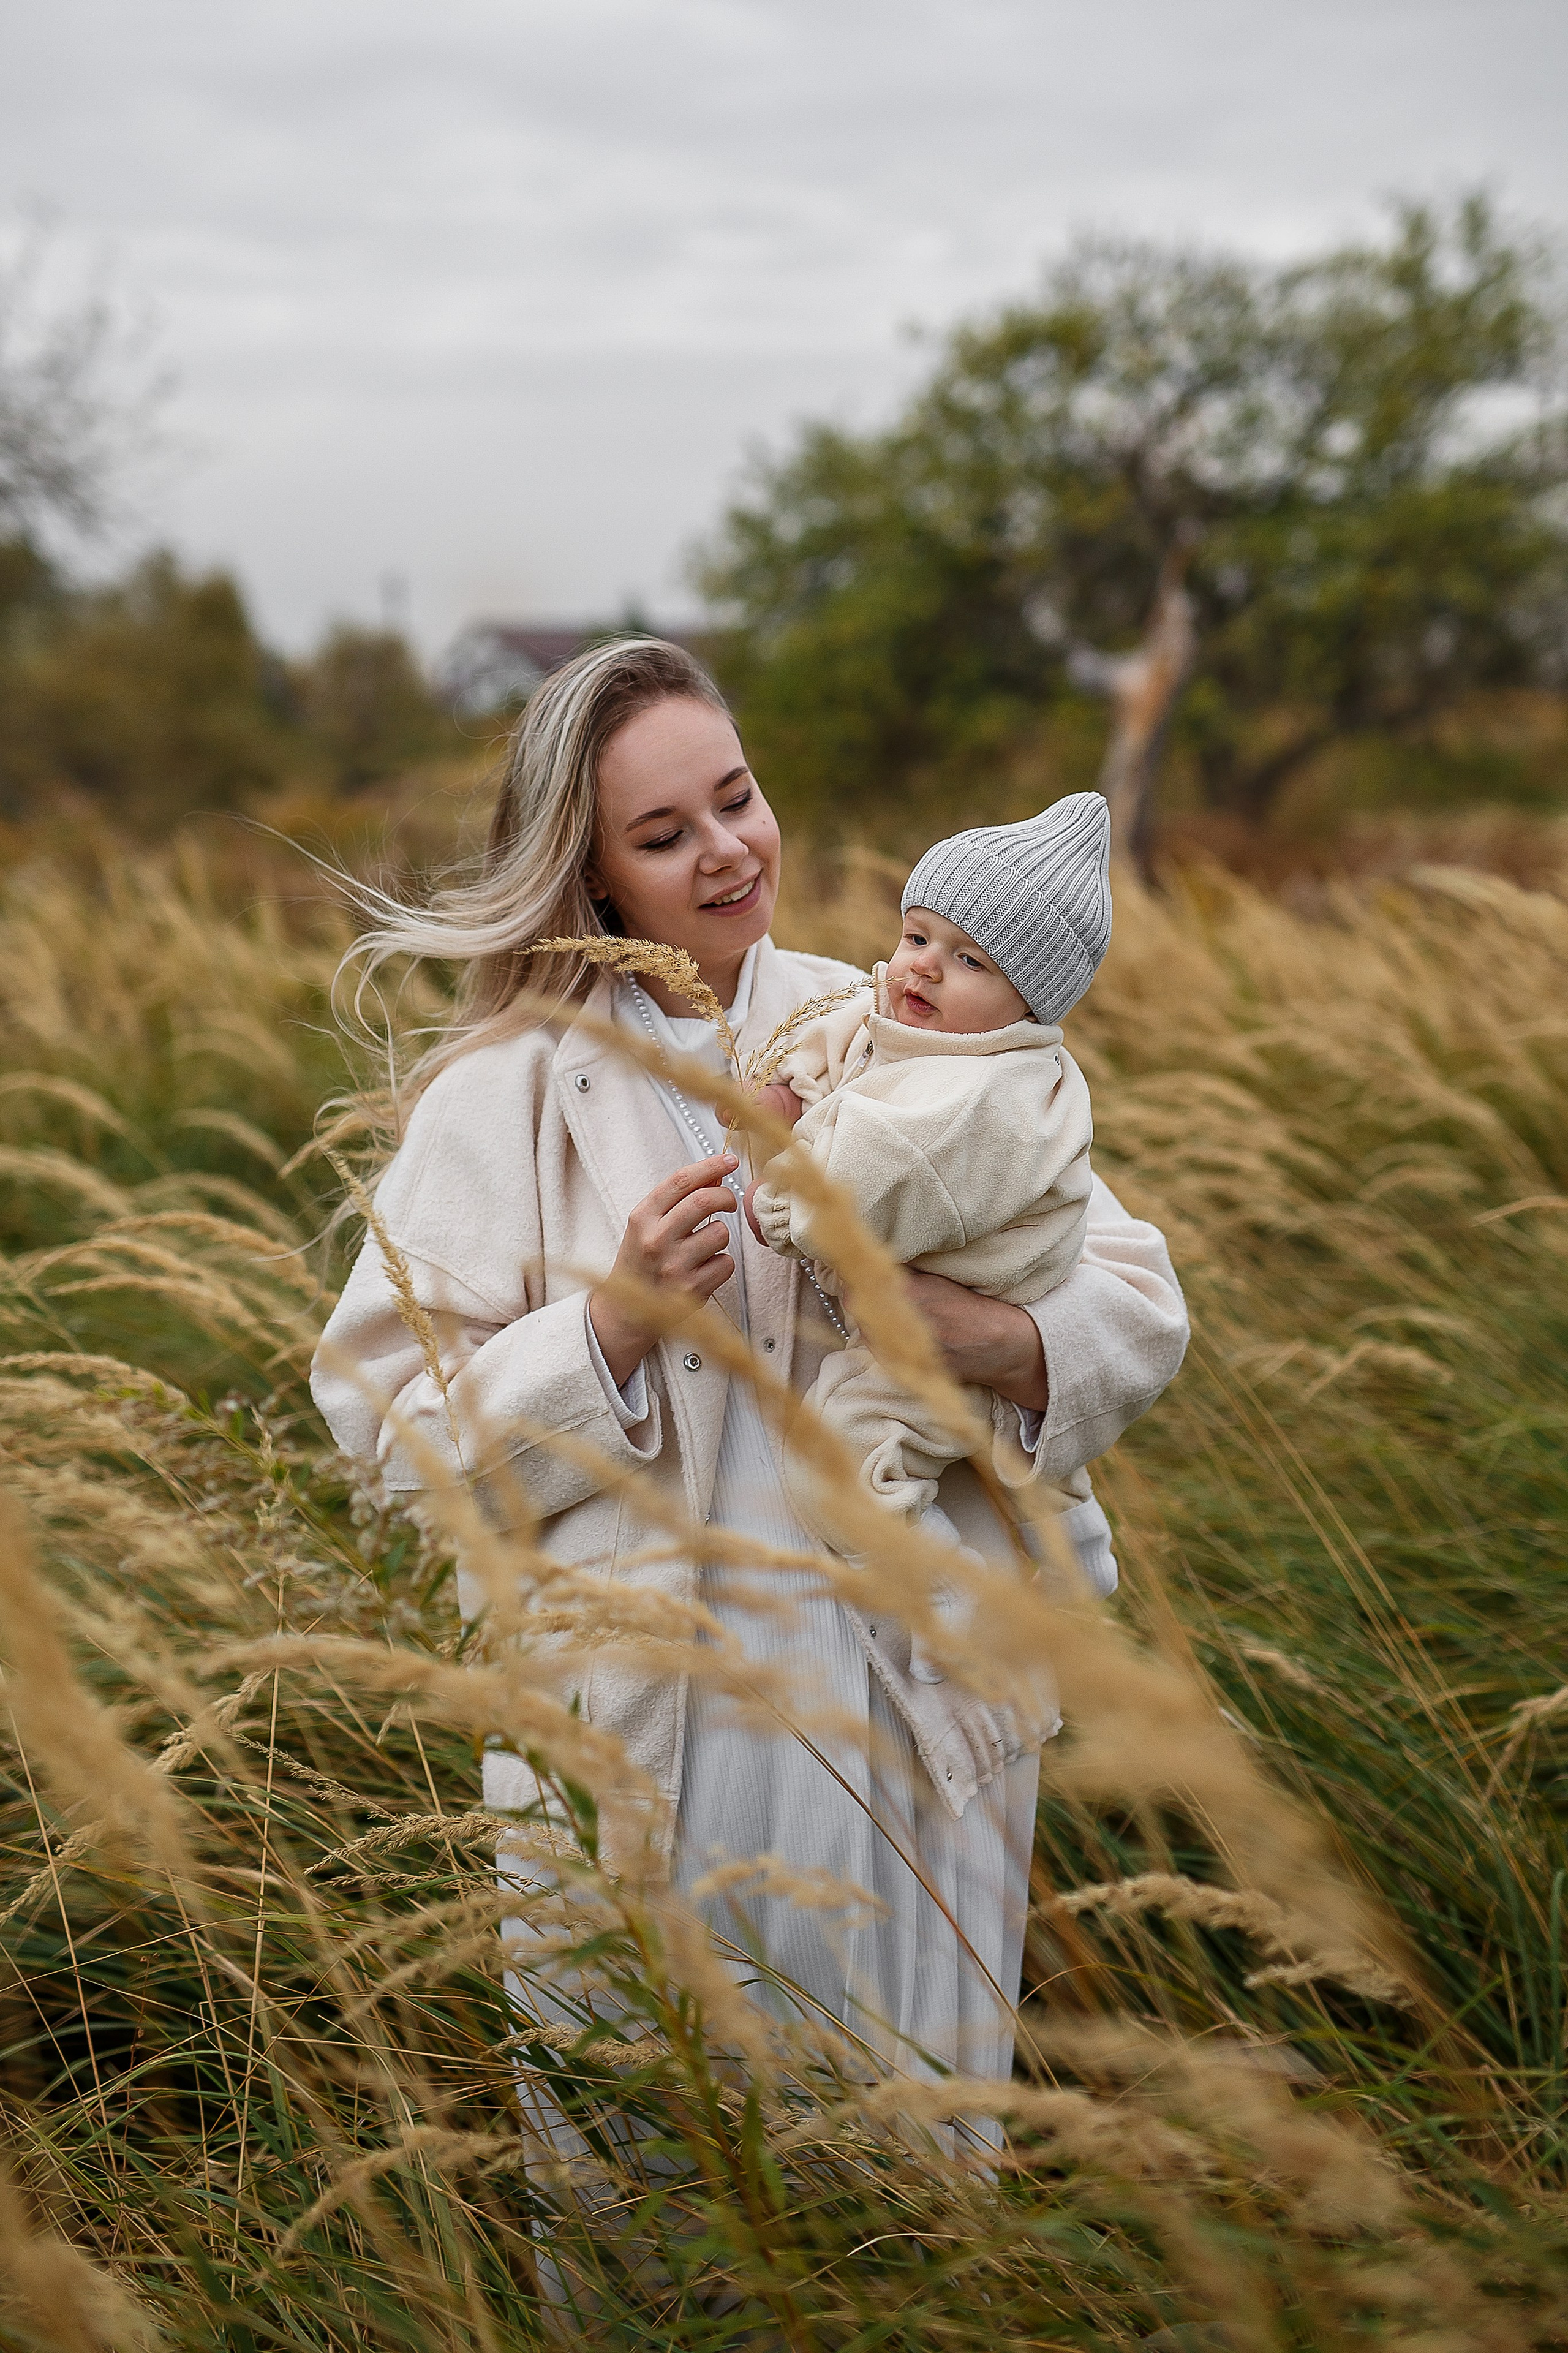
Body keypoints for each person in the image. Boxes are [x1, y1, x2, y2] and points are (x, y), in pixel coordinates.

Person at [310, 637, 1187, 2124]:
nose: (726, 851)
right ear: (590, 874)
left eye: (737, 797)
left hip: (911, 1704)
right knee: (658, 2192)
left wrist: (988, 1342)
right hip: (654, 1729)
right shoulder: (512, 1086)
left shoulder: (905, 1016)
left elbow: (1132, 1297)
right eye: (663, 834)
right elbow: (381, 1423)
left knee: (908, 2178)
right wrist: (615, 1326)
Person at [747, 790, 1110, 1573]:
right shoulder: (921, 1025)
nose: (923, 967)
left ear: (1030, 1003)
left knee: (845, 1459)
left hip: (950, 1333)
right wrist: (794, 1085)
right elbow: (845, 1040)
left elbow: (861, 1183)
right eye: (917, 935)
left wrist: (777, 1203)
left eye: (970, 960)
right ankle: (1070, 1535)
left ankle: (949, 1592)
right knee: (1013, 1456)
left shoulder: (981, 1098)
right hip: (959, 1305)